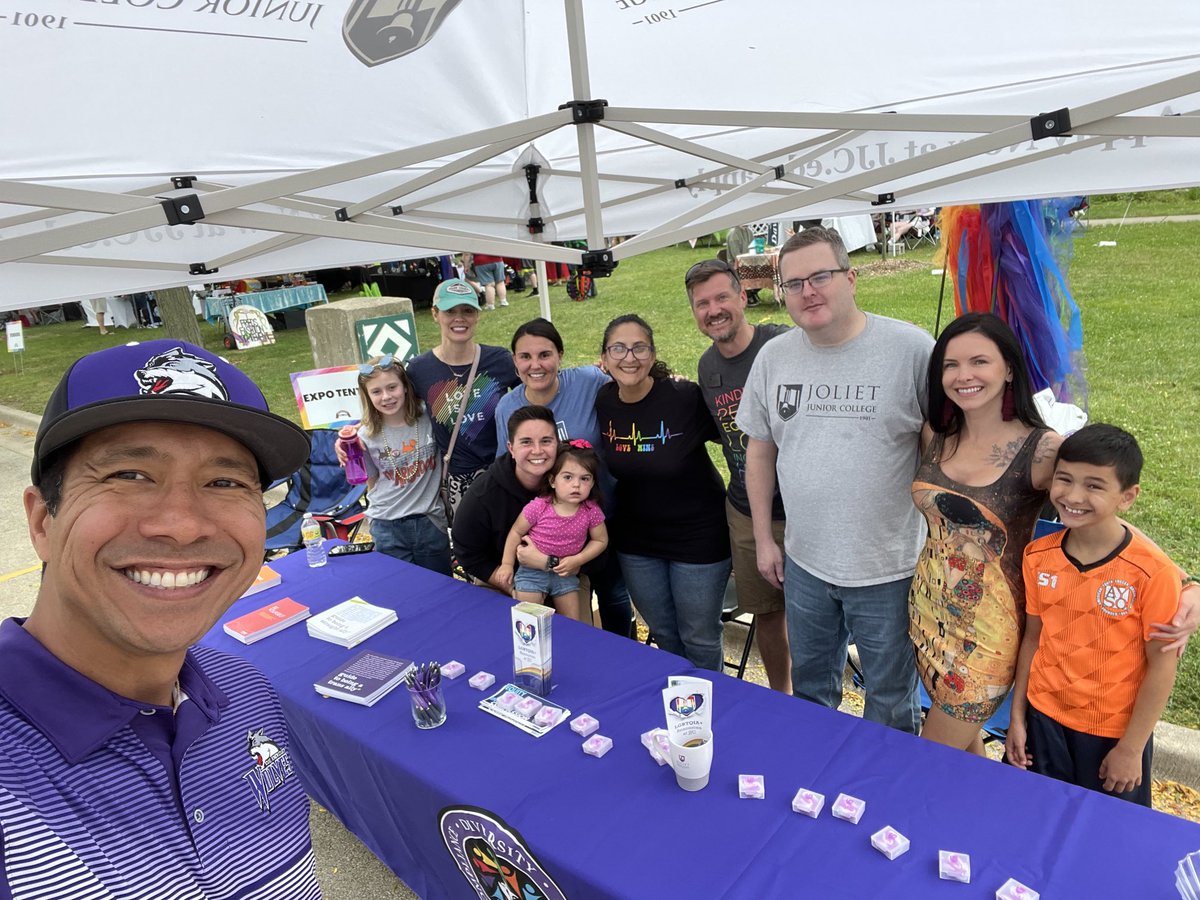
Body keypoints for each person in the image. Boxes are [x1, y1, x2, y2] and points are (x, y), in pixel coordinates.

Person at [0, 340, 319, 897]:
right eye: (129, 474)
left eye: (225, 482)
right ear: (42, 521)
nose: (182, 525)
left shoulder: (245, 691)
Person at [737, 225, 932, 733]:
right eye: (793, 282)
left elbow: (942, 449)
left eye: (820, 276)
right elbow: (759, 452)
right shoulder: (774, 357)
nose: (808, 291)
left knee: (890, 702)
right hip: (806, 564)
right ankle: (815, 781)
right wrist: (764, 539)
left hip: (888, 568)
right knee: (812, 692)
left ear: (851, 277)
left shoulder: (910, 349)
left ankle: (883, 793)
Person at [1006, 424, 1182, 806]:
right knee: (1033, 817)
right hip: (1043, 720)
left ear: (1128, 496)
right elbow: (1033, 638)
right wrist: (1017, 717)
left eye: (1094, 486)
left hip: (1111, 733)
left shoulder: (1153, 573)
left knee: (1106, 838)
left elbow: (1162, 666)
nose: (1073, 496)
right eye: (1064, 480)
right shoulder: (1038, 556)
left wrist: (1132, 748)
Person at [909, 312, 1061, 751]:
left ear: (1008, 368)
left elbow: (1099, 509)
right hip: (927, 611)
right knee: (963, 748)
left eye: (980, 362)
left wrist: (1182, 585)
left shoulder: (1043, 448)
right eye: (951, 365)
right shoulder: (936, 435)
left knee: (933, 754)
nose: (963, 376)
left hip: (988, 632)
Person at [595, 314, 731, 671]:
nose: (629, 357)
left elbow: (734, 437)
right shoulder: (604, 401)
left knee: (699, 636)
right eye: (618, 349)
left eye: (639, 347)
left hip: (699, 538)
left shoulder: (684, 397)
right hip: (637, 543)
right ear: (605, 360)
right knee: (665, 633)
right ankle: (680, 711)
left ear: (653, 355)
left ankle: (709, 714)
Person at [687, 258, 793, 693]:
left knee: (814, 615)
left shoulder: (782, 344)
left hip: (806, 507)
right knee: (766, 612)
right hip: (748, 511)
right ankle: (782, 697)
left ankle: (816, 705)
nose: (713, 310)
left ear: (743, 297)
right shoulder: (707, 368)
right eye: (702, 303)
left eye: (722, 297)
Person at [494, 318, 634, 637]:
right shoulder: (507, 407)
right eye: (525, 357)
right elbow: (508, 468)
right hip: (550, 530)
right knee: (565, 609)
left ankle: (623, 654)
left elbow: (630, 381)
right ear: (514, 362)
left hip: (602, 515)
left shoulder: (589, 381)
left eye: (545, 354)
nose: (536, 365)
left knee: (614, 595)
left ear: (560, 354)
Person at [407, 278, 519, 517]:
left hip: (503, 476)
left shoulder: (500, 360)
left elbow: (538, 392)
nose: (460, 318)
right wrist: (356, 436)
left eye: (467, 311)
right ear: (435, 314)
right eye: (450, 311)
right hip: (456, 484)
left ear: (477, 315)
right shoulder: (419, 369)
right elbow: (397, 413)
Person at [342, 354, 451, 575]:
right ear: (367, 396)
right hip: (386, 525)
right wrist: (346, 440)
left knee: (441, 591)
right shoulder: (365, 436)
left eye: (392, 387)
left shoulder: (430, 418)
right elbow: (371, 482)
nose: (386, 397)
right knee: (399, 593)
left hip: (429, 521)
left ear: (405, 387)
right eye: (376, 392)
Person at [453, 406, 561, 591]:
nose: (537, 450)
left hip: (563, 574)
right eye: (526, 442)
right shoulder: (483, 495)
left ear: (557, 444)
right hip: (502, 577)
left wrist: (552, 563)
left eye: (546, 441)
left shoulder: (573, 482)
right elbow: (467, 554)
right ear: (511, 448)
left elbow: (597, 546)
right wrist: (514, 585)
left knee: (575, 619)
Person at [498, 441, 609, 621]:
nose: (576, 485)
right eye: (568, 477)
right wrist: (507, 564)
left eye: (585, 478)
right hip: (531, 572)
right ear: (552, 481)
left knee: (573, 624)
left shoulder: (591, 511)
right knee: (528, 622)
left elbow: (601, 540)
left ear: (593, 482)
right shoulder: (539, 506)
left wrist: (577, 560)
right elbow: (516, 532)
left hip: (566, 574)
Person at [725, 225, 760, 305]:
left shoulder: (749, 231)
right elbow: (736, 256)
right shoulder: (733, 234)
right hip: (736, 264)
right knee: (752, 270)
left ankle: (752, 292)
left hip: (749, 261)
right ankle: (748, 293)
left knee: (765, 270)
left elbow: (753, 248)